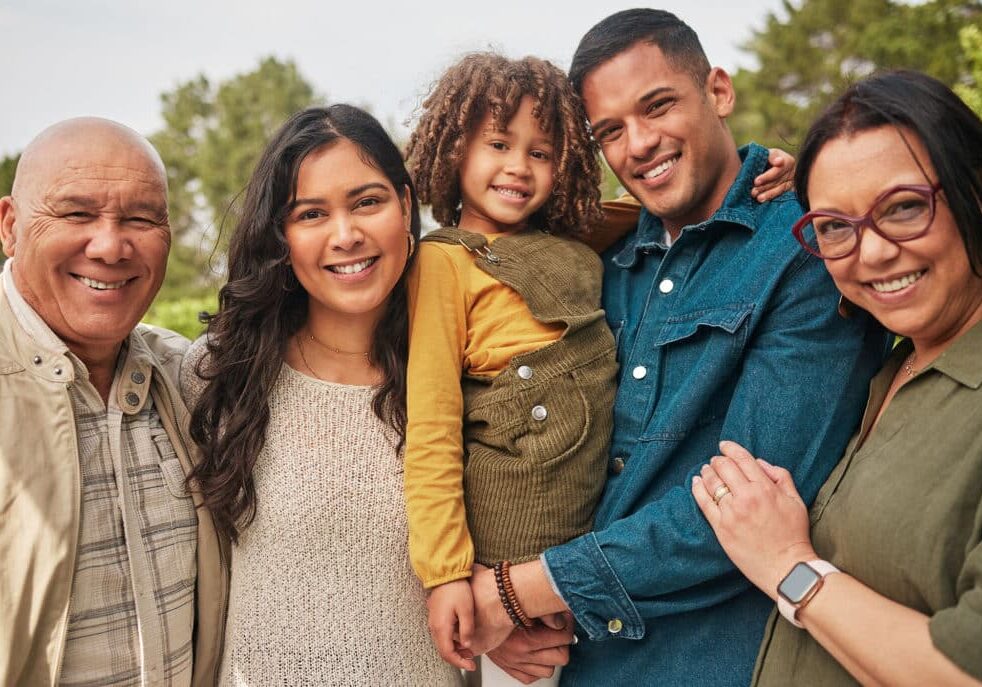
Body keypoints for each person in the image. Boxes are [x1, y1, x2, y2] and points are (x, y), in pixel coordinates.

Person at [466, 10, 890, 686]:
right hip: (583, 666)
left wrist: (518, 591)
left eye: (657, 106)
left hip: (718, 663)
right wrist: (509, 601)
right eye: (610, 131)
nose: (638, 144)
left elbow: (747, 508)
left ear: (718, 92)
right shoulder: (601, 266)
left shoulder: (805, 248)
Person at [693, 71, 982, 687]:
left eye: (903, 208)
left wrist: (789, 567)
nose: (871, 252)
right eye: (834, 226)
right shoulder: (890, 367)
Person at [181, 104, 461, 686]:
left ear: (406, 206)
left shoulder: (465, 378)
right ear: (281, 234)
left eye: (367, 202)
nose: (346, 235)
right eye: (311, 213)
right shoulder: (221, 374)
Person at [403, 53, 619, 686]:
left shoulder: (573, 246)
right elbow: (434, 421)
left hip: (581, 538)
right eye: (498, 143)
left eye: (542, 152)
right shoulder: (442, 264)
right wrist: (445, 573)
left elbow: (658, 209)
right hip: (506, 543)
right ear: (455, 150)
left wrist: (765, 173)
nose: (519, 167)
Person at [0, 118, 226, 686]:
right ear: (10, 226)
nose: (110, 245)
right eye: (76, 214)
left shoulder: (187, 378)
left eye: (141, 218)